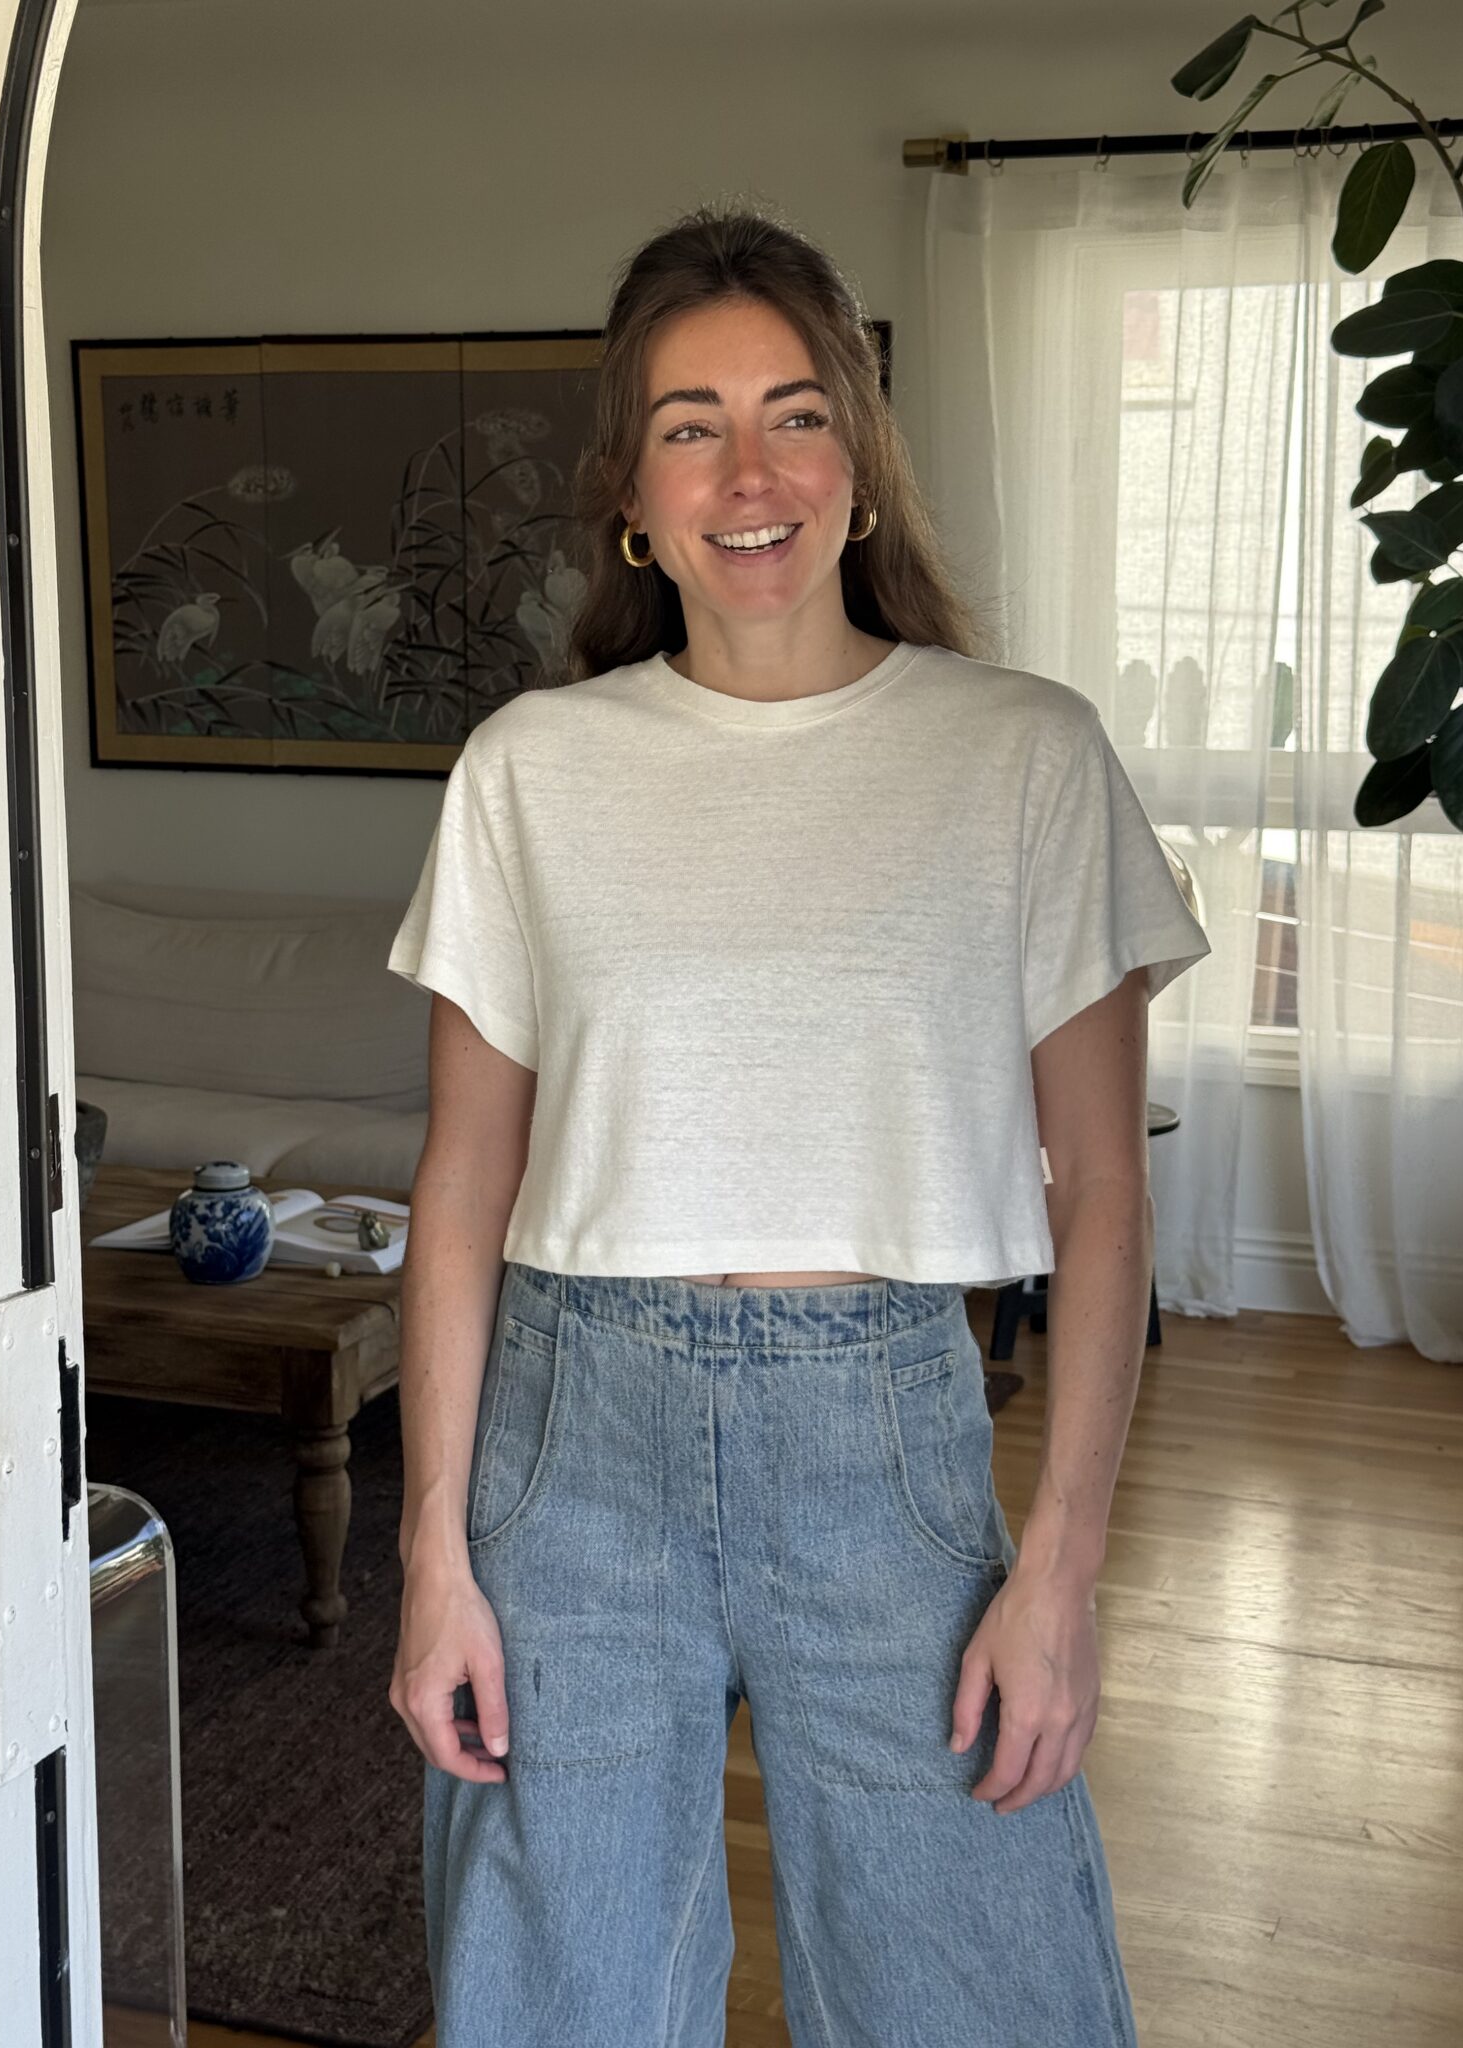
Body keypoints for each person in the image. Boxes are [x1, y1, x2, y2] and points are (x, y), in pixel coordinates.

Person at [386, 203, 1210, 2048]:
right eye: (690, 424)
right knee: (559, 2005)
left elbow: (1101, 1202)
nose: (746, 472)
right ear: (632, 485)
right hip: (570, 1460)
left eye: (794, 413)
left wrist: (1061, 1576)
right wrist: (436, 1558)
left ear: (860, 459)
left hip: (888, 1448)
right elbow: (461, 1185)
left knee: (981, 1993)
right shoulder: (533, 769)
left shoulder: (1023, 755)